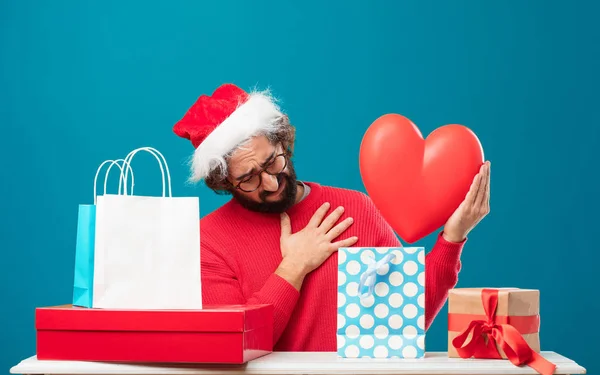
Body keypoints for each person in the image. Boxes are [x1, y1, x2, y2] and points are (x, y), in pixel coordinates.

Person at [173, 83, 491, 352]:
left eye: (272, 162)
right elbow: (234, 347)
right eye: (249, 178)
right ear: (225, 182)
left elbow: (406, 318)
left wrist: (453, 237)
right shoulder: (209, 241)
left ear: (283, 142)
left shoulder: (355, 209)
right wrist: (293, 266)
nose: (270, 183)